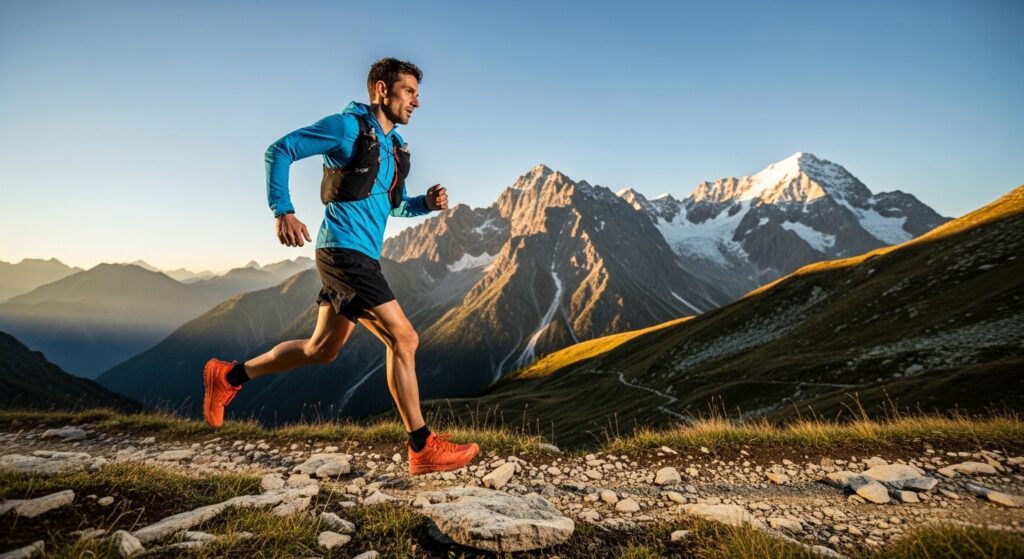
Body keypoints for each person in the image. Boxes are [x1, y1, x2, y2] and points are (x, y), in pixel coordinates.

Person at [202, 57, 479, 475]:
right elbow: (280, 150)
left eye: (418, 94)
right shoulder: (346, 127)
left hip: (360, 256)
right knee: (404, 339)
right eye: (409, 92)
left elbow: (391, 205)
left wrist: (424, 204)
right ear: (381, 90)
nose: (416, 102)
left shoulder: (397, 149)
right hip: (342, 253)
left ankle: (228, 377)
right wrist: (283, 210)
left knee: (321, 349)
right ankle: (422, 447)